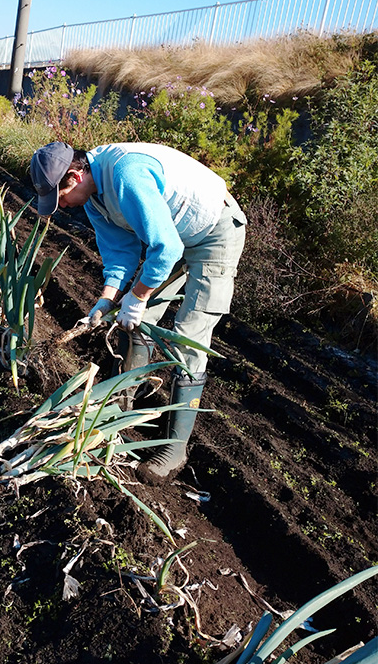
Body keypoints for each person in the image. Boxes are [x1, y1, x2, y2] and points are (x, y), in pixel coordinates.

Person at [29, 141, 247, 479]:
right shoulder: (94, 197)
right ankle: (124, 403)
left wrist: (137, 296)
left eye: (59, 198)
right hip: (177, 234)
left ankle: (175, 449)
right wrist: (106, 300)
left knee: (188, 336)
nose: (61, 207)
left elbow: (167, 248)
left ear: (73, 176)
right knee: (138, 321)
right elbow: (120, 255)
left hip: (214, 232)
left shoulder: (126, 175)